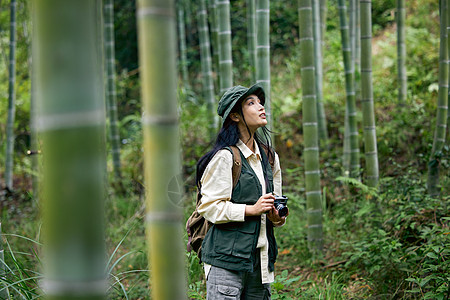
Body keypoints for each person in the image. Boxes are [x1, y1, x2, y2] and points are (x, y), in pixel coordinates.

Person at [196, 83, 288, 299]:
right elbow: (208, 207)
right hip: (225, 263)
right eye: (251, 103)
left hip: (260, 261)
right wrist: (251, 210)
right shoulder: (225, 157)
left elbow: (276, 207)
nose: (261, 107)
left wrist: (276, 216)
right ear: (235, 115)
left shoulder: (270, 158)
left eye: (260, 102)